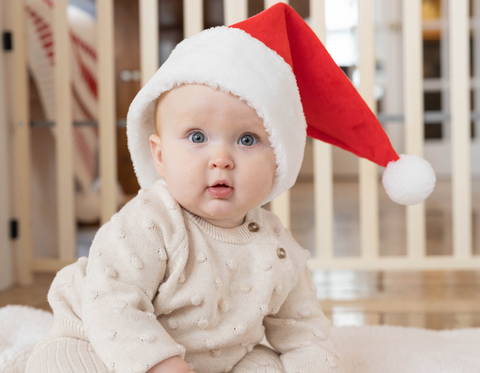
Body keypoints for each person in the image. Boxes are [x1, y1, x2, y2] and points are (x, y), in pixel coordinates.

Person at [26, 3, 436, 373]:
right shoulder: (150, 221)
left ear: (280, 158)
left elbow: (302, 328)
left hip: (216, 357)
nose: (221, 159)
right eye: (197, 137)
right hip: (101, 337)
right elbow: (111, 304)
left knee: (264, 364)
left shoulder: (276, 247)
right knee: (62, 364)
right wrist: (160, 364)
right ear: (160, 155)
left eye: (246, 140)